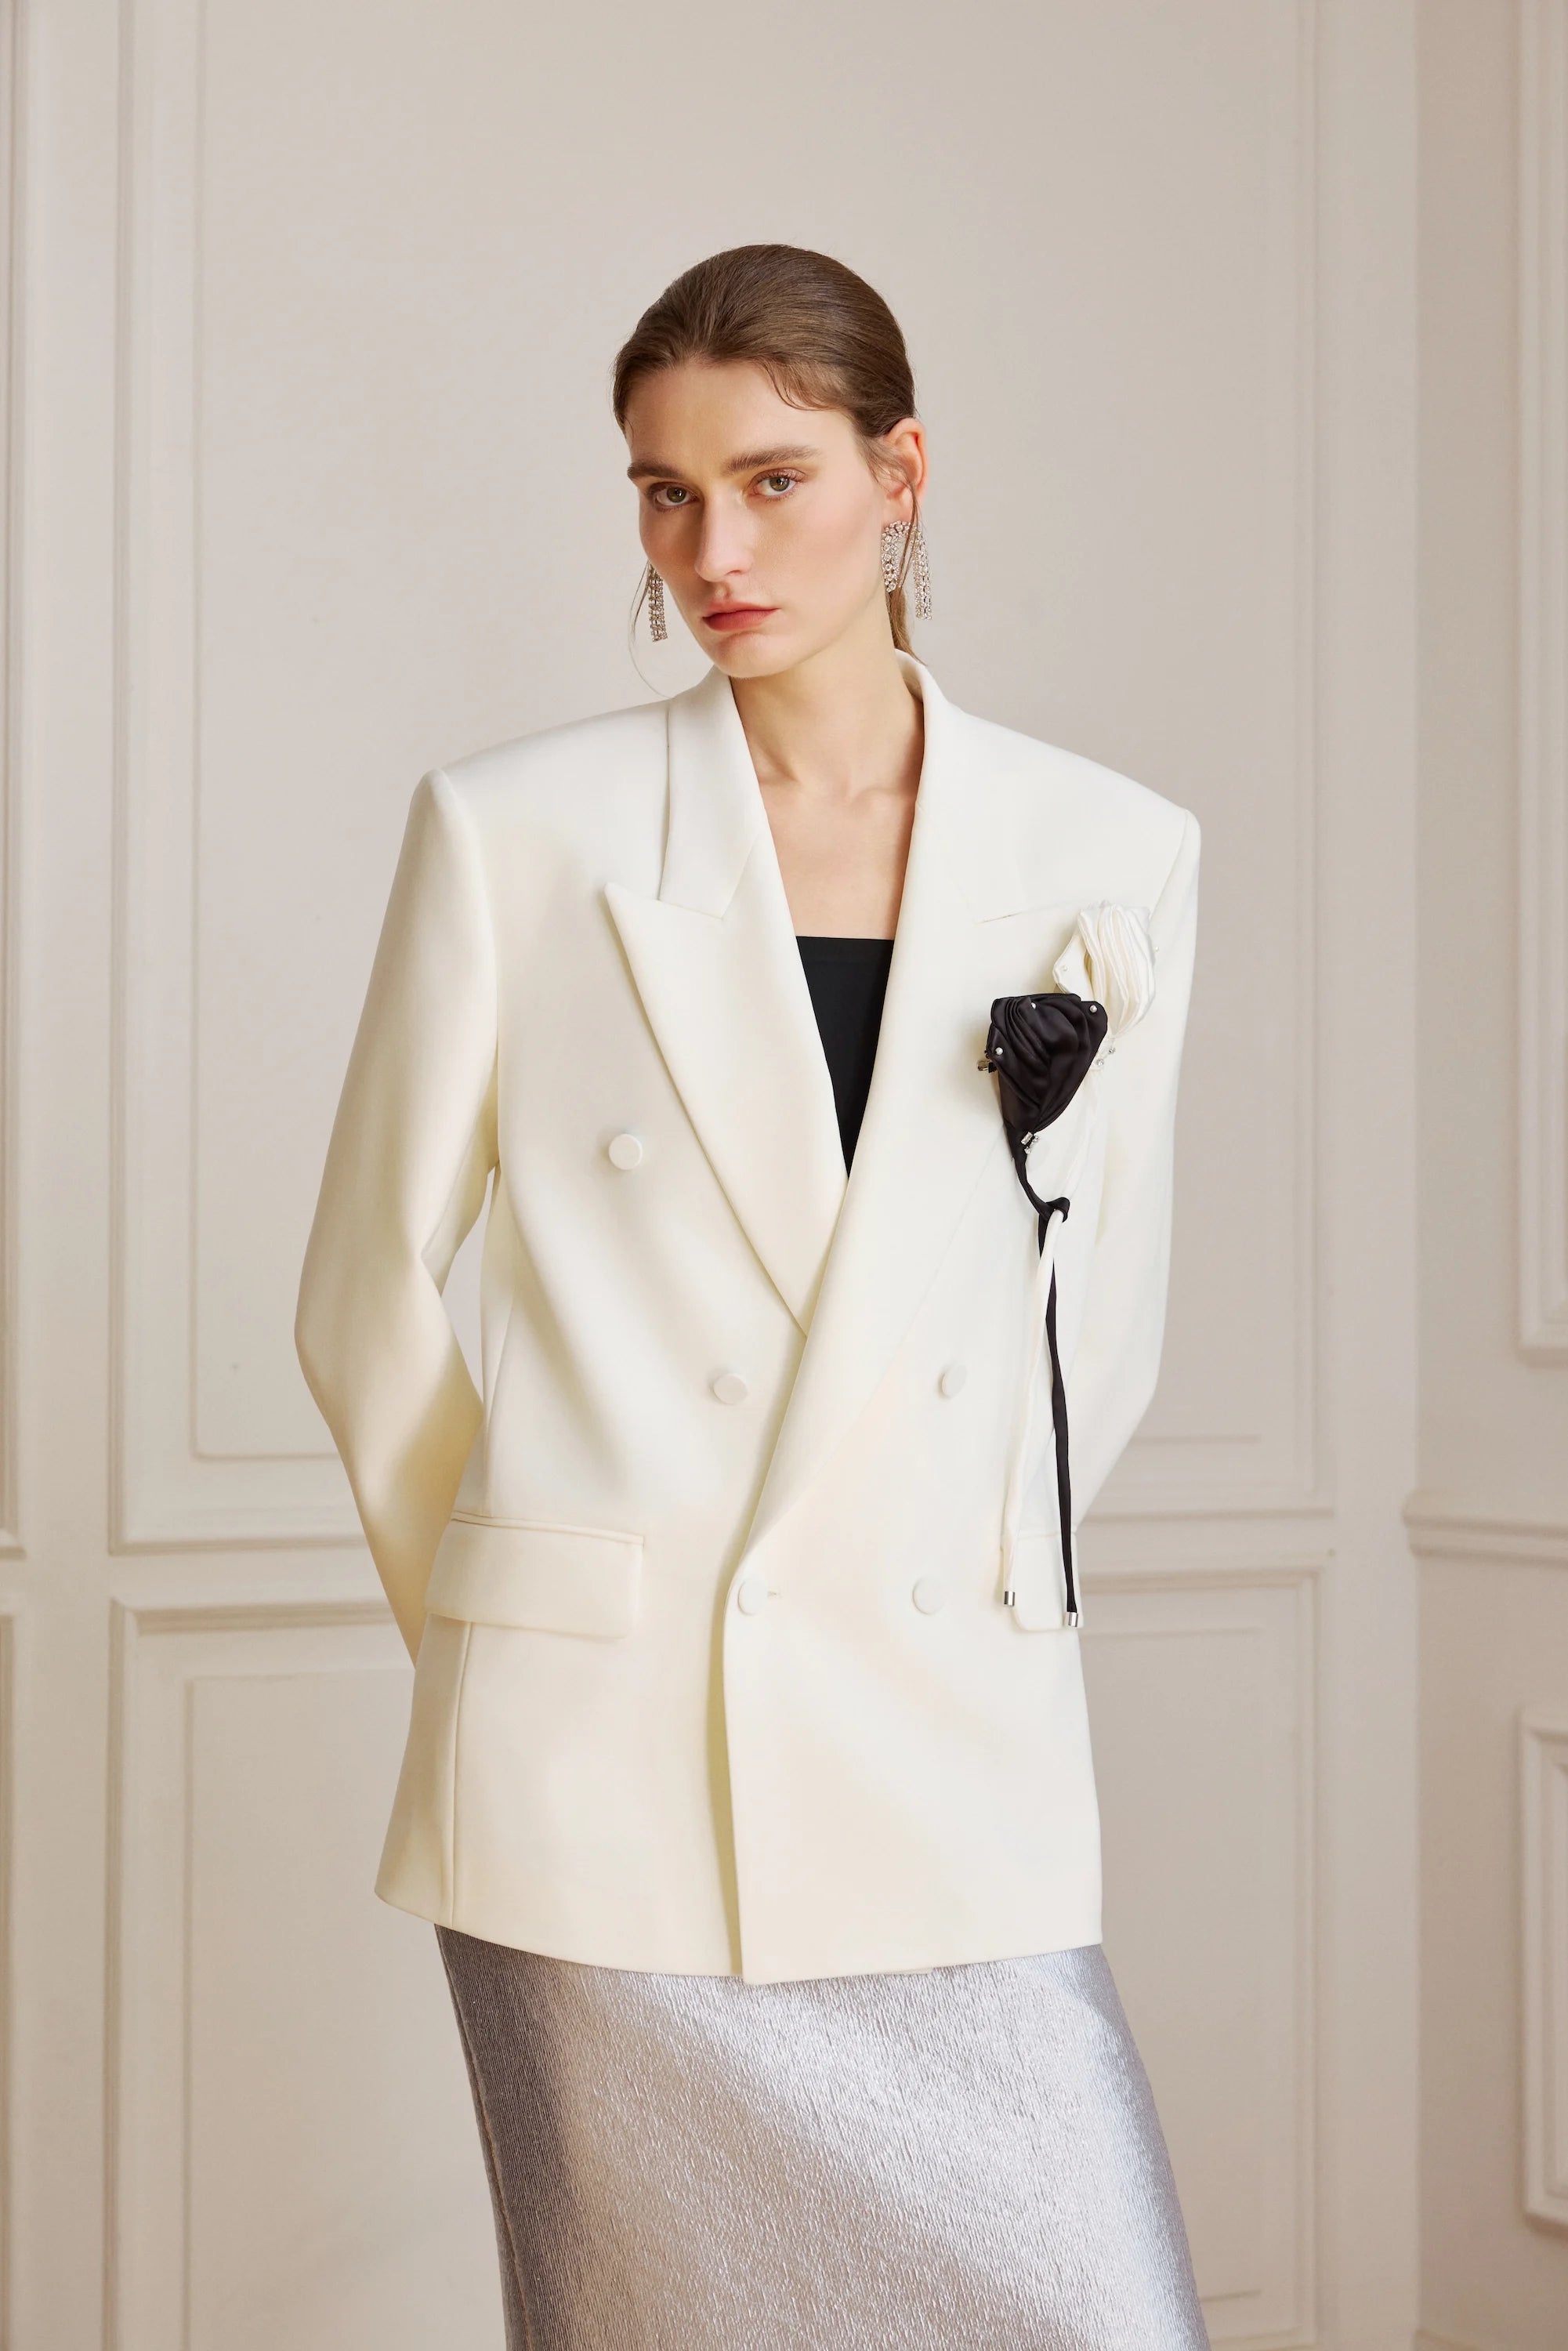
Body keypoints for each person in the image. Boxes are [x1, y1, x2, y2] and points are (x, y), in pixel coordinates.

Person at [295, 242, 1209, 2349]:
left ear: (902, 476)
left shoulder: (1108, 853)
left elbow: (1099, 1327)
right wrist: (517, 1619)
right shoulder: (519, 832)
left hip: (941, 1737)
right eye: (664, 492)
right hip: (595, 1768)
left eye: (772, 481)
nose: (712, 551)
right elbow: (361, 1296)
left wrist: (954, 1576)